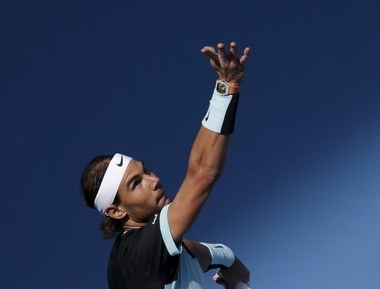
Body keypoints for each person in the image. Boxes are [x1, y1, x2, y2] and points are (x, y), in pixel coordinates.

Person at [80, 40, 252, 289]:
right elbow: (204, 172)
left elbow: (210, 254)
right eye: (136, 183)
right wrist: (226, 87)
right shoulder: (137, 257)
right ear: (116, 211)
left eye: (146, 171)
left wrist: (231, 264)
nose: (154, 180)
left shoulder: (168, 247)